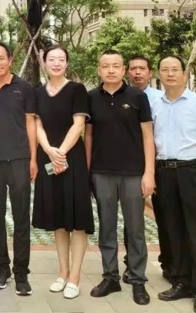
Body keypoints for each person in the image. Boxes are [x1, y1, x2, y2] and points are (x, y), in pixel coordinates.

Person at [85, 50, 154, 306]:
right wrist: (87, 171)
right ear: (99, 69)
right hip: (102, 172)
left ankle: (137, 279)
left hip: (133, 173)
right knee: (107, 227)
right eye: (106, 66)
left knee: (135, 229)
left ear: (124, 70)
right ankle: (110, 277)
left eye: (116, 66)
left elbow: (148, 136)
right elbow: (88, 136)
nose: (111, 70)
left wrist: (149, 173)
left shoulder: (137, 96)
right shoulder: (91, 97)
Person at [154, 56, 196, 313]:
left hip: (192, 171)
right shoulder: (155, 104)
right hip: (164, 171)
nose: (170, 74)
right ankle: (181, 281)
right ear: (159, 74)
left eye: (175, 70)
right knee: (173, 229)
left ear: (185, 73)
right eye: (165, 70)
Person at [32, 45, 94, 300]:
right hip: (48, 156)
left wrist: (60, 153)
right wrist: (48, 150)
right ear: (44, 63)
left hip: (72, 159)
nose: (56, 63)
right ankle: (63, 272)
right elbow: (36, 124)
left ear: (67, 63)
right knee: (58, 218)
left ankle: (75, 277)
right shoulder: (38, 92)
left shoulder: (77, 89)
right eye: (52, 59)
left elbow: (78, 124)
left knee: (76, 220)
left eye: (61, 59)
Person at [0, 42, 37, 296]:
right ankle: (2, 268)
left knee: (21, 216)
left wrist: (33, 158)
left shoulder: (24, 88)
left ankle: (21, 271)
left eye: (1, 58)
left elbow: (31, 124)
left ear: (10, 60)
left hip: (20, 159)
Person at [126, 55, 169, 281]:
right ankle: (131, 263)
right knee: (133, 216)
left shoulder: (161, 99)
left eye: (142, 68)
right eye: (133, 68)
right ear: (127, 72)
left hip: (160, 164)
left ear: (150, 73)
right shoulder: (124, 96)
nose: (137, 73)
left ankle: (169, 263)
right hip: (133, 165)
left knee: (165, 215)